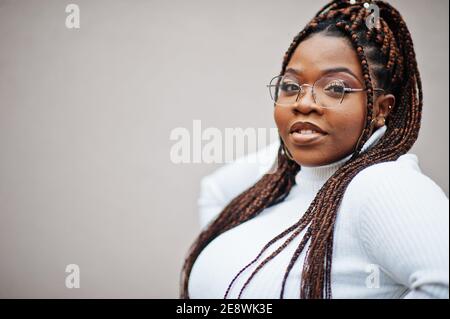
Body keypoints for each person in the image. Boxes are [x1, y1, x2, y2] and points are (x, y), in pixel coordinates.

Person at [181, 0, 449, 299]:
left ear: (381, 109)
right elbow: (214, 189)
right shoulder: (282, 182)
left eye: (336, 88)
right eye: (291, 86)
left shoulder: (381, 185)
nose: (303, 103)